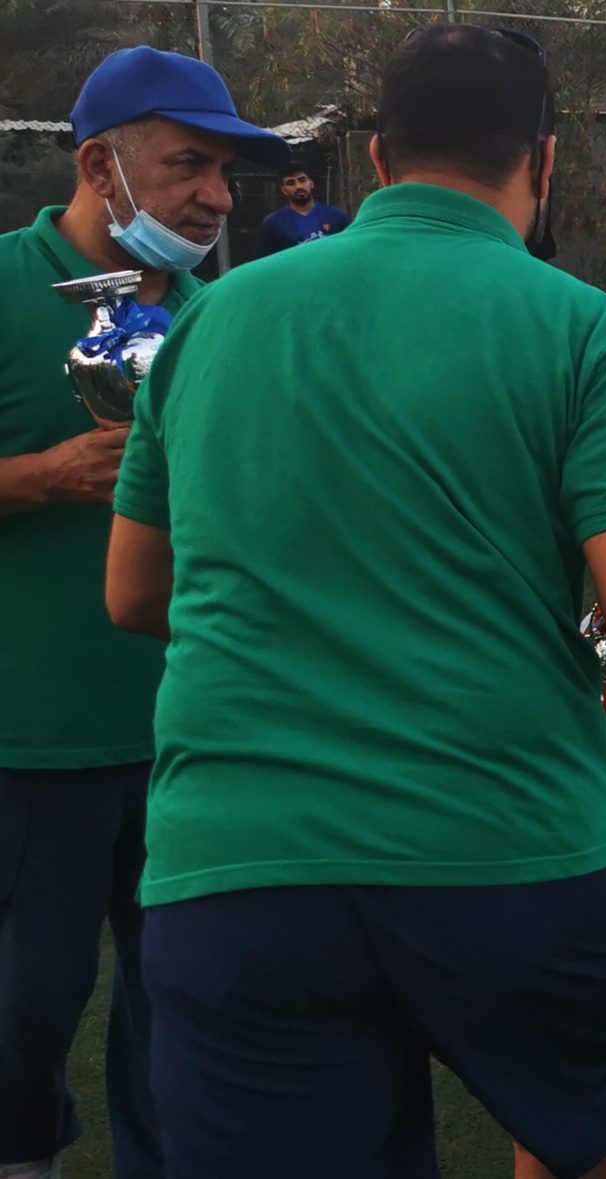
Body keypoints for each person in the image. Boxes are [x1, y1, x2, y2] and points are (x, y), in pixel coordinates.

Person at [102, 26, 606, 1177]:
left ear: (379, 159)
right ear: (543, 160)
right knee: (570, 1144)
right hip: (503, 842)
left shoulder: (210, 317)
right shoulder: (586, 327)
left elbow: (136, 592)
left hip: (242, 857)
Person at [0, 46, 285, 1179]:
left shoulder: (228, 316)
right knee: (25, 1008)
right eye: (187, 167)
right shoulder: (5, 284)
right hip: (34, 736)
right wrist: (38, 478)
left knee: (185, 1016)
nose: (215, 199)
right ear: (98, 167)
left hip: (199, 736)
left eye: (224, 174)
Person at [254, 166, 347, 256]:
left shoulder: (336, 216)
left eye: (302, 180)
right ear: (284, 190)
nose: (298, 186)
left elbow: (347, 250)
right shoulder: (272, 223)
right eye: (291, 183)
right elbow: (265, 261)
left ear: (311, 183)